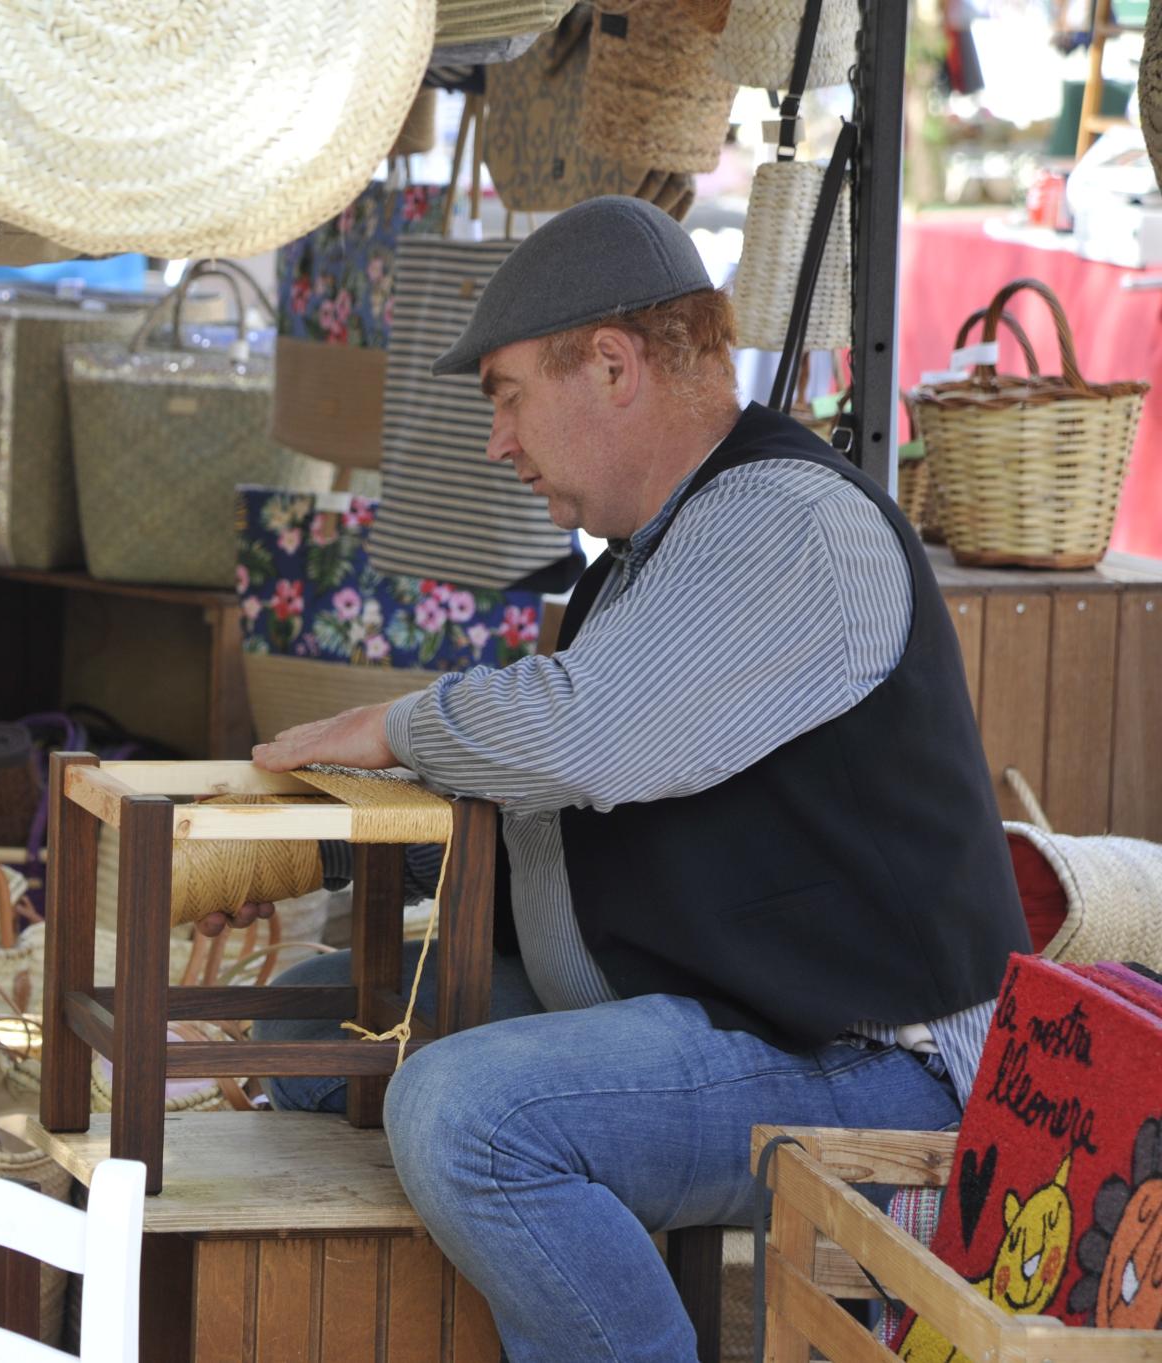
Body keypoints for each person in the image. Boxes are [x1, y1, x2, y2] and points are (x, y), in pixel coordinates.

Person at [237, 196, 1030, 1363]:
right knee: (308, 1013)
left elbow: (582, 739)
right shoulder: (653, 553)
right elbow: (551, 813)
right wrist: (308, 845)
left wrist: (395, 724)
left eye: (506, 395)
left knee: (468, 1115)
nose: (496, 441)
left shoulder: (789, 522)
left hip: (868, 1059)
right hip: (724, 1010)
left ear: (610, 365)